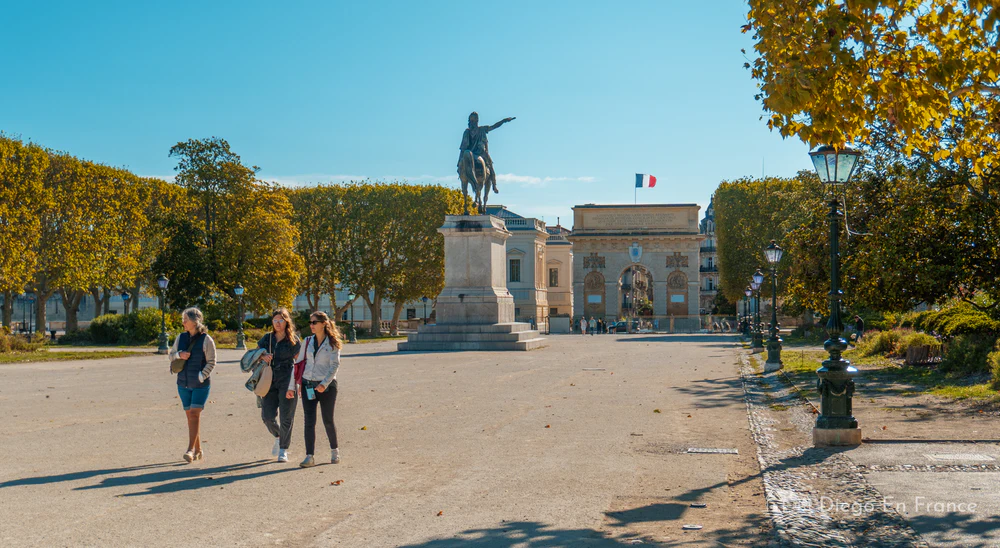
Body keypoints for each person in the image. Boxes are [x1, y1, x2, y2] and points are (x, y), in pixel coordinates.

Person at [288, 311, 343, 467]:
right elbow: (298, 364)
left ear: (323, 323)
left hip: (327, 387)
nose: (311, 325)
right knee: (309, 421)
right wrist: (292, 386)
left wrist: (324, 383)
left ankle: (334, 451)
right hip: (308, 385)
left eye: (314, 322)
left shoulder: (332, 343)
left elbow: (335, 365)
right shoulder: (307, 341)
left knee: (328, 420)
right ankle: (309, 456)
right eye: (310, 322)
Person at [168, 307, 217, 464]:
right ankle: (198, 450)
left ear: (195, 322)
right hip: (183, 383)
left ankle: (189, 450)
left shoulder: (206, 340)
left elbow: (212, 361)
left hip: (200, 384)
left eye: (185, 320)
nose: (183, 322)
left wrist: (202, 376)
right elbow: (171, 355)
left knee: (194, 414)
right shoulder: (180, 337)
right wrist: (178, 355)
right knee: (190, 417)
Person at [258, 308, 302, 463]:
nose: (277, 323)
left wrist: (297, 384)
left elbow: (300, 363)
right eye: (275, 320)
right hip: (269, 380)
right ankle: (278, 436)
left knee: (286, 417)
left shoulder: (293, 340)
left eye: (281, 320)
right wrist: (263, 356)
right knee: (267, 417)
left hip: (287, 380)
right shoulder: (266, 339)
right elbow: (256, 355)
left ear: (286, 321)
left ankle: (283, 449)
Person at [458, 112, 515, 194]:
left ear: (477, 121)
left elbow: (494, 126)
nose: (471, 122)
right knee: (463, 163)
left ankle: (494, 184)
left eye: (473, 120)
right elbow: (463, 148)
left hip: (480, 152)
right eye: (470, 120)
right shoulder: (466, 132)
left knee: (490, 165)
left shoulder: (482, 129)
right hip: (470, 152)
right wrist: (459, 161)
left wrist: (504, 121)